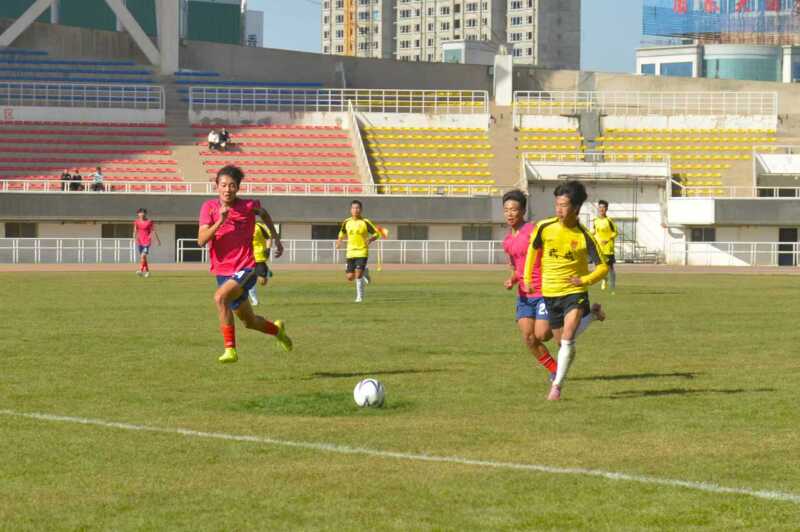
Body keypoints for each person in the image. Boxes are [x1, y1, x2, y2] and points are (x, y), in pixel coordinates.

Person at [504, 189, 606, 387]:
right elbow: (517, 268)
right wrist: (513, 279)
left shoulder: (534, 230)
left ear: (523, 210)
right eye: (506, 210)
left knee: (544, 334)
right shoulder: (507, 241)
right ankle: (554, 370)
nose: (509, 213)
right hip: (525, 294)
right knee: (529, 338)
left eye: (513, 209)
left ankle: (589, 316)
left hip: (545, 290)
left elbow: (552, 252)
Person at [198, 164, 292, 363]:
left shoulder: (249, 206)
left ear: (238, 187)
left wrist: (276, 238)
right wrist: (220, 221)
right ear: (216, 186)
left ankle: (230, 350)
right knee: (249, 322)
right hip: (223, 272)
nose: (227, 189)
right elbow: (201, 240)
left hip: (246, 267)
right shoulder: (209, 208)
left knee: (220, 298)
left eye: (232, 185)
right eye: (223, 185)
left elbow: (264, 214)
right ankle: (278, 331)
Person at [336, 199, 382, 303]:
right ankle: (365, 271)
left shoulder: (365, 222)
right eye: (353, 208)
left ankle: (359, 297)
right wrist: (339, 241)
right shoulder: (346, 222)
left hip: (362, 251)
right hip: (350, 252)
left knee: (358, 275)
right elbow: (342, 232)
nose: (355, 210)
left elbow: (377, 233)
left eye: (357, 208)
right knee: (350, 277)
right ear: (350, 210)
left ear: (361, 210)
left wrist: (370, 239)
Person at [593, 200, 618, 294]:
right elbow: (594, 232)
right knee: (599, 267)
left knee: (610, 268)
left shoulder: (609, 221)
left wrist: (608, 239)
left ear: (606, 209)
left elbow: (615, 232)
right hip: (599, 248)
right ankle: (604, 279)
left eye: (603, 207)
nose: (601, 209)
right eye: (600, 207)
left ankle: (613, 287)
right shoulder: (595, 221)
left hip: (608, 248)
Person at [248, 220, 272, 306]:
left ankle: (267, 271)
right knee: (249, 280)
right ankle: (254, 300)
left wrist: (268, 249)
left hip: (259, 256)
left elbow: (268, 238)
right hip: (247, 257)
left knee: (262, 282)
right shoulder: (242, 226)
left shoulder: (259, 226)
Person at [133, 208, 161, 278]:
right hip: (140, 241)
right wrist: (134, 239)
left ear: (145, 214)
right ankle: (148, 272)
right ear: (138, 214)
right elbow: (135, 231)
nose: (141, 214)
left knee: (143, 255)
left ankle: (141, 270)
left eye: (143, 213)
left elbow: (153, 231)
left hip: (147, 241)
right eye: (140, 213)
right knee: (143, 258)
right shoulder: (136, 222)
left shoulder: (149, 222)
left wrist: (158, 240)